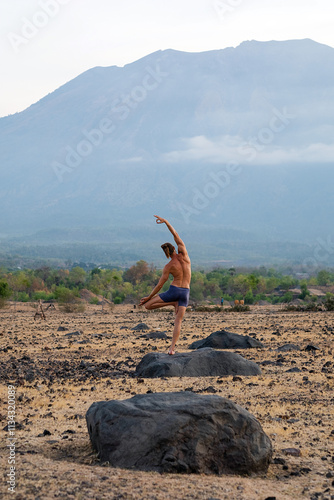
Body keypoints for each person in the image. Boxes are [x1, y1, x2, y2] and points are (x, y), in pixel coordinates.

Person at [139, 216, 191, 355]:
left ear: (166, 253)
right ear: (175, 248)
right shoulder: (184, 254)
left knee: (147, 306)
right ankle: (172, 349)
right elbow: (175, 234)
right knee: (178, 322)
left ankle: (171, 302)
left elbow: (159, 285)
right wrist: (166, 222)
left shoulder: (168, 266)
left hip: (173, 292)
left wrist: (149, 297)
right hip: (185, 292)